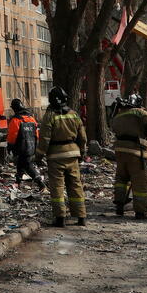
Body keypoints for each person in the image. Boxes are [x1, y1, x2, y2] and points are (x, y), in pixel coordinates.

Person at [36, 86, 87, 227]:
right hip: (73, 155)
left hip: (55, 156)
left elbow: (44, 138)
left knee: (57, 187)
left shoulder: (50, 116)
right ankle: (81, 216)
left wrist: (39, 156)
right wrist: (82, 152)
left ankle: (60, 218)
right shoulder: (74, 114)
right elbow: (82, 137)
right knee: (76, 185)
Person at [111, 95, 147, 219]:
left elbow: (113, 127)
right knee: (139, 181)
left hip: (120, 151)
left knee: (121, 178)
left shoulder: (119, 115)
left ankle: (119, 205)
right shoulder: (139, 112)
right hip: (136, 151)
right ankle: (141, 212)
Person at [7, 98, 45, 190]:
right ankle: (17, 182)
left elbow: (13, 135)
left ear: (14, 108)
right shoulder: (31, 118)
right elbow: (36, 134)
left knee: (27, 165)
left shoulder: (15, 120)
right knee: (21, 163)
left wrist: (10, 146)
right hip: (31, 147)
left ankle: (40, 183)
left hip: (21, 147)